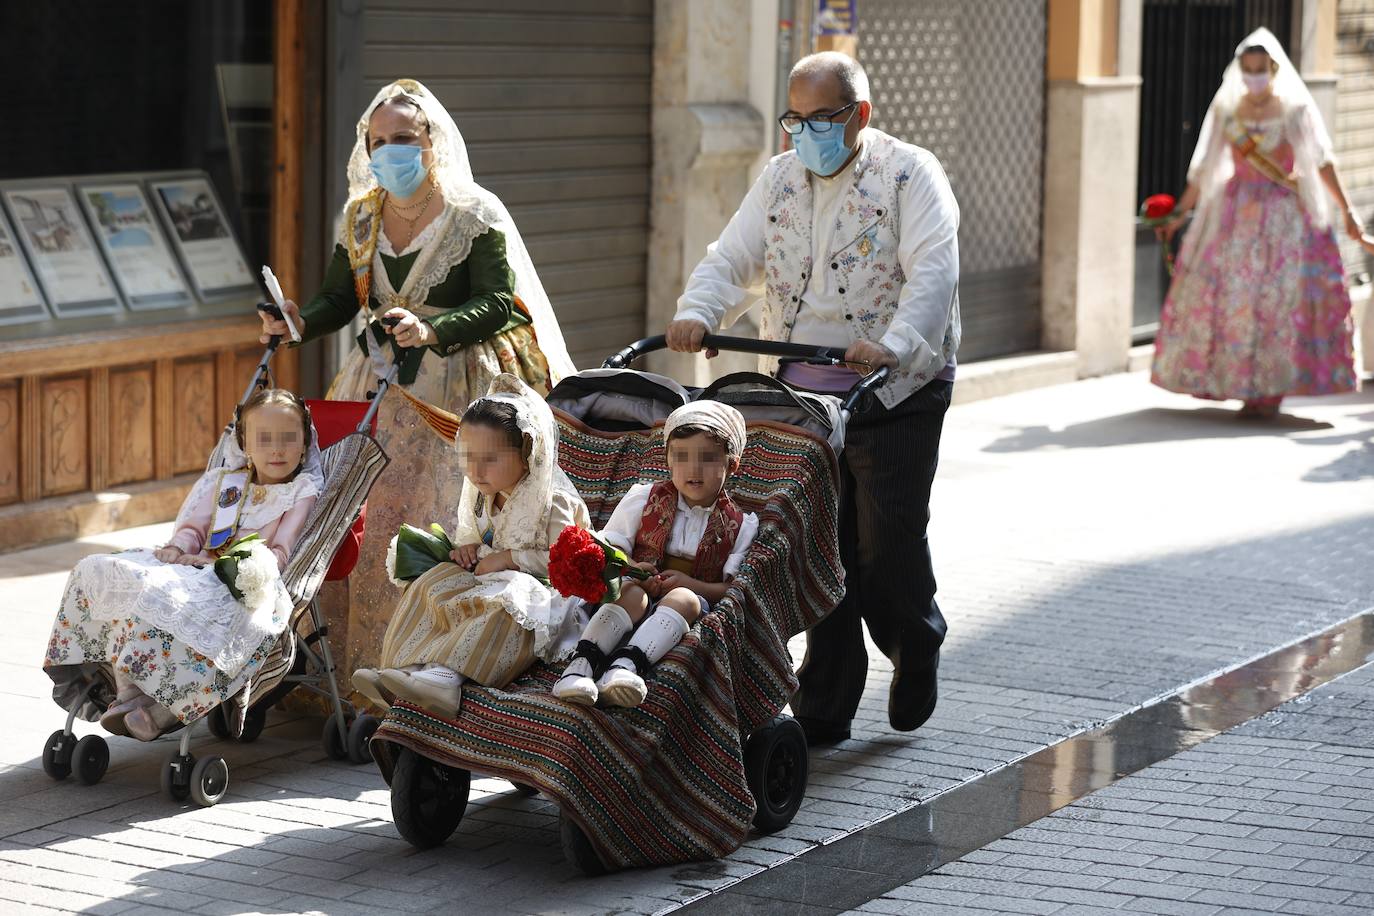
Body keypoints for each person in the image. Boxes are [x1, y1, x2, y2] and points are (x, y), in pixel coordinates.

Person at [665, 52, 959, 744]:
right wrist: (698, 310)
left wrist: (896, 343)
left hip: (896, 387)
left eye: (821, 119)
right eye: (794, 119)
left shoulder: (911, 174)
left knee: (885, 544)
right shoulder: (778, 178)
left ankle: (915, 643)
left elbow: (933, 271)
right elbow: (731, 256)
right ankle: (825, 699)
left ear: (859, 115)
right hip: (799, 393)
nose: (805, 133)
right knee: (816, 545)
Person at [257, 78, 576, 678]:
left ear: (433, 141)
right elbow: (338, 298)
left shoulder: (473, 213)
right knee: (357, 514)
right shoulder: (360, 216)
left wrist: (434, 331)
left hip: (456, 386)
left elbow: (500, 302)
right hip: (376, 385)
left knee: (430, 513)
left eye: (404, 137)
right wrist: (299, 321)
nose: (390, 151)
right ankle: (342, 666)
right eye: (378, 141)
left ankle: (426, 666)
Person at [43, 390, 321, 740]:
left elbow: (280, 551)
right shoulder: (227, 483)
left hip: (244, 578)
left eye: (288, 438)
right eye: (264, 439)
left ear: (304, 443)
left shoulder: (301, 491)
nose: (277, 450)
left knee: (177, 600)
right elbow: (194, 528)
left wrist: (224, 565)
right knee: (104, 569)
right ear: (245, 444)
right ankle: (129, 694)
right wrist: (178, 547)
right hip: (196, 564)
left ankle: (152, 712)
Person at [352, 374, 591, 717]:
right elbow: (475, 538)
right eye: (470, 457)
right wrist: (467, 549)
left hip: (544, 595)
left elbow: (565, 561)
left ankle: (447, 677)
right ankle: (405, 669)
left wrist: (508, 559)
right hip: (492, 581)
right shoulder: (482, 495)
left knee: (511, 595)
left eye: (490, 459)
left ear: (527, 452)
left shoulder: (554, 502)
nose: (476, 471)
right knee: (433, 582)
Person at [1153, 28, 1359, 418]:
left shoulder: (1294, 111)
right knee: (1235, 299)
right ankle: (1239, 383)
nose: (1253, 77)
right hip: (1235, 213)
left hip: (1285, 217)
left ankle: (1269, 390)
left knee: (1278, 300)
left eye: (1259, 69)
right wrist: (1179, 214)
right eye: (1247, 70)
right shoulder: (1227, 113)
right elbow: (1205, 169)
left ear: (1273, 68)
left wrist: (1347, 210)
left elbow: (1321, 161)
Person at [552, 401, 760, 708]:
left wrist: (690, 583)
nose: (693, 469)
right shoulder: (643, 498)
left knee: (686, 599)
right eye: (682, 458)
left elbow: (731, 588)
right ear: (669, 462)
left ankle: (626, 667)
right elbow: (610, 547)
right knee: (633, 593)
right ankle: (580, 666)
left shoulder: (740, 525)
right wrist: (634, 567)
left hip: (686, 602)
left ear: (732, 465)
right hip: (634, 589)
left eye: (707, 459)